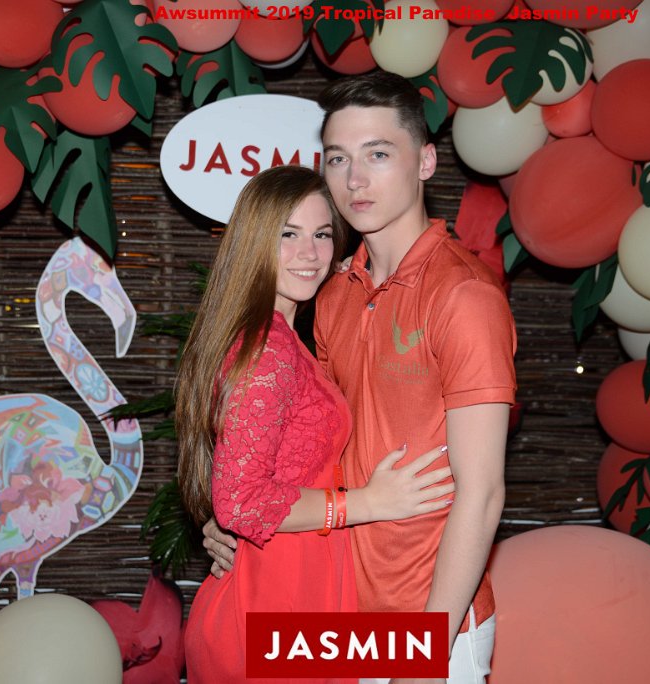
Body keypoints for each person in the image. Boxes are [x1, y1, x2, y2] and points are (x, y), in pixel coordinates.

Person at [204, 73, 518, 684]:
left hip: (430, 619)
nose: (354, 180)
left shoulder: (463, 296)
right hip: (337, 610)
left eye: (378, 154)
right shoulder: (334, 293)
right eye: (337, 158)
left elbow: (482, 494)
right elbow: (301, 447)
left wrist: (425, 654)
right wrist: (234, 517)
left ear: (425, 161)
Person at [177, 165, 455, 684]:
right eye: (288, 234)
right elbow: (240, 502)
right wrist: (368, 503)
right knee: (438, 655)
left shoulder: (281, 339)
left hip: (296, 593)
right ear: (254, 241)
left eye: (322, 234)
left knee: (432, 654)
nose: (309, 253)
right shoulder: (267, 350)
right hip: (272, 605)